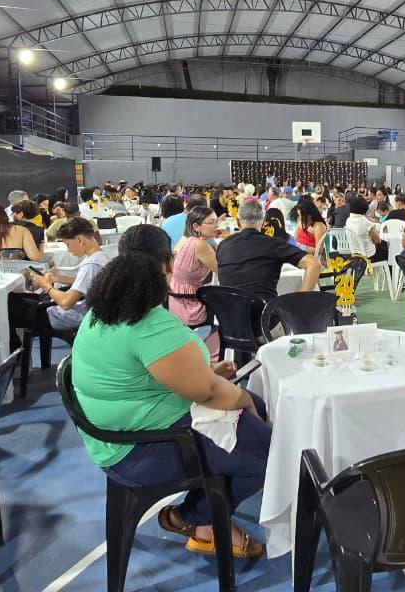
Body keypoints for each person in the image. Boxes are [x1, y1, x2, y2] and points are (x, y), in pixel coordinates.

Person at [68, 224, 269, 559]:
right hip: (138, 448)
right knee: (267, 451)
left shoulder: (106, 310)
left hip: (118, 432)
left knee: (255, 413)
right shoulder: (148, 323)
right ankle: (194, 517)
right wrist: (242, 397)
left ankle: (204, 516)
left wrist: (207, 376)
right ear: (169, 263)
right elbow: (207, 392)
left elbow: (146, 372)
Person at [216, 200, 320, 298]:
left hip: (228, 313)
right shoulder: (274, 244)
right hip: (263, 312)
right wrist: (302, 300)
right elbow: (314, 264)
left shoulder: (222, 246)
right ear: (263, 221)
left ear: (238, 221)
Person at [25, 218, 108, 331]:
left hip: (80, 315)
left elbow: (66, 303)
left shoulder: (90, 264)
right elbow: (89, 282)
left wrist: (47, 287)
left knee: (18, 308)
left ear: (79, 240)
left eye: (67, 244)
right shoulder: (101, 257)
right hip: (89, 311)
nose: (68, 250)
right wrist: (59, 278)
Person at [168, 206, 220, 352]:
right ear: (196, 226)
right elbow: (222, 270)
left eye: (217, 221)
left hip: (174, 300)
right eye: (211, 222)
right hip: (191, 304)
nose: (216, 226)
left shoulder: (184, 240)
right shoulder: (201, 244)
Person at [343, 195, 389, 262]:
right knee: (385, 248)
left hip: (354, 255)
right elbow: (377, 240)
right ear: (365, 208)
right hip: (369, 256)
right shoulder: (367, 223)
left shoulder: (348, 221)